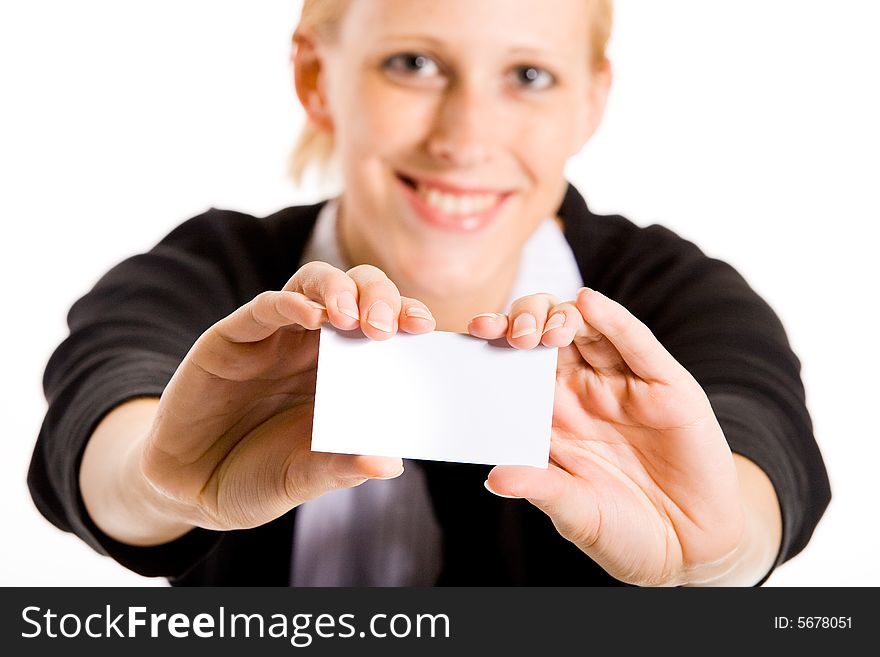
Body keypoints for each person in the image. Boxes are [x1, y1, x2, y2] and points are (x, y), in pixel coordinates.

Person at [28, 0, 830, 586]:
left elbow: (759, 446)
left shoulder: (677, 295)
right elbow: (108, 402)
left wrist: (717, 551)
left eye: (528, 74)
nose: (465, 136)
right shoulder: (209, 271)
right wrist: (160, 478)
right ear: (315, 76)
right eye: (413, 63)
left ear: (590, 102)